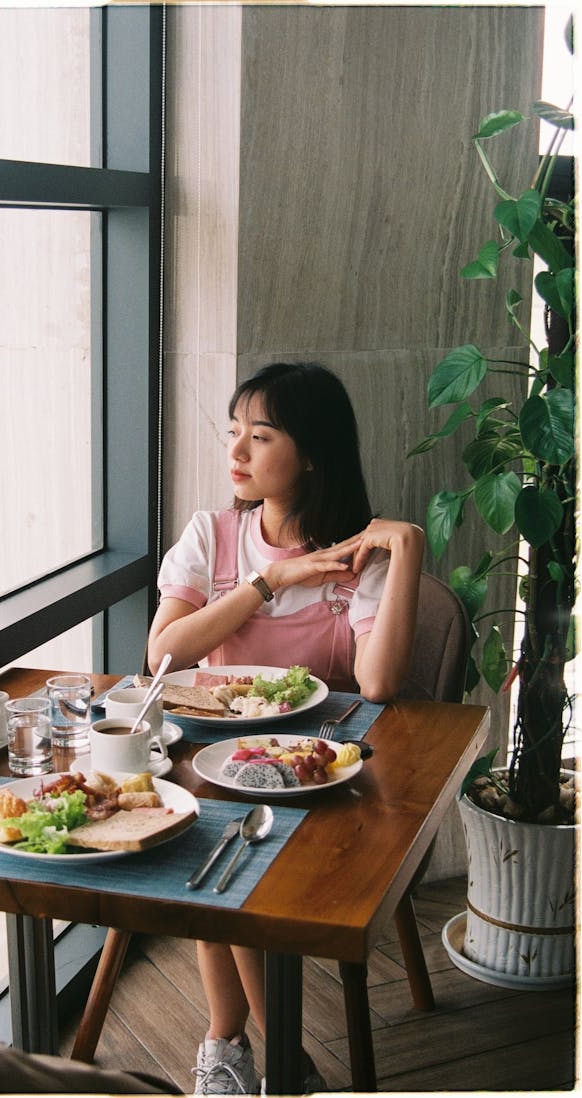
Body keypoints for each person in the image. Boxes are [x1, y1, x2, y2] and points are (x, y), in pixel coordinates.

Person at [147, 362, 424, 1095]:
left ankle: (235, 1046)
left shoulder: (353, 558)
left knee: (211, 854)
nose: (235, 451)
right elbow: (163, 655)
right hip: (213, 770)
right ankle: (272, 1058)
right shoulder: (212, 535)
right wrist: (270, 582)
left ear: (311, 454)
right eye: (233, 432)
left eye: (259, 436)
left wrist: (410, 551)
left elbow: (378, 685)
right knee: (205, 835)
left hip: (321, 784)